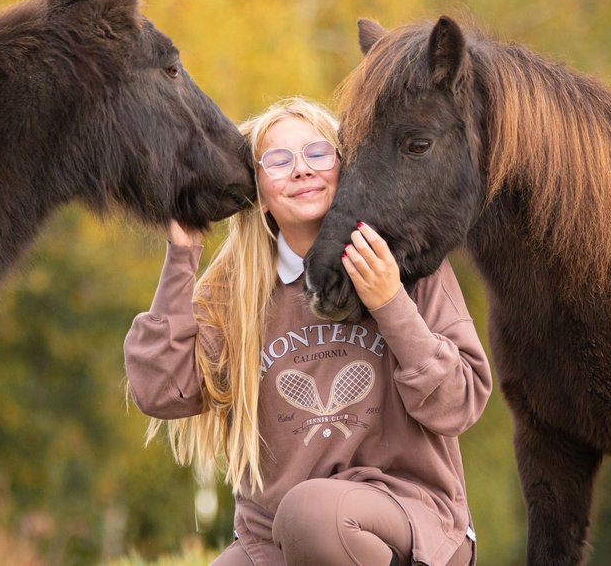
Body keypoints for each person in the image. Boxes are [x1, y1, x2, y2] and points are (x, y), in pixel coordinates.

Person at [124, 97, 491, 565]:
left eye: (318, 153)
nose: (301, 170)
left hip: (409, 522)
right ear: (256, 189)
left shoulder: (404, 262)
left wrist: (389, 303)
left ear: (346, 169)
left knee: (312, 513)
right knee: (297, 519)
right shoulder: (234, 291)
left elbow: (458, 404)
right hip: (276, 541)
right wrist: (182, 252)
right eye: (279, 160)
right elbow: (161, 391)